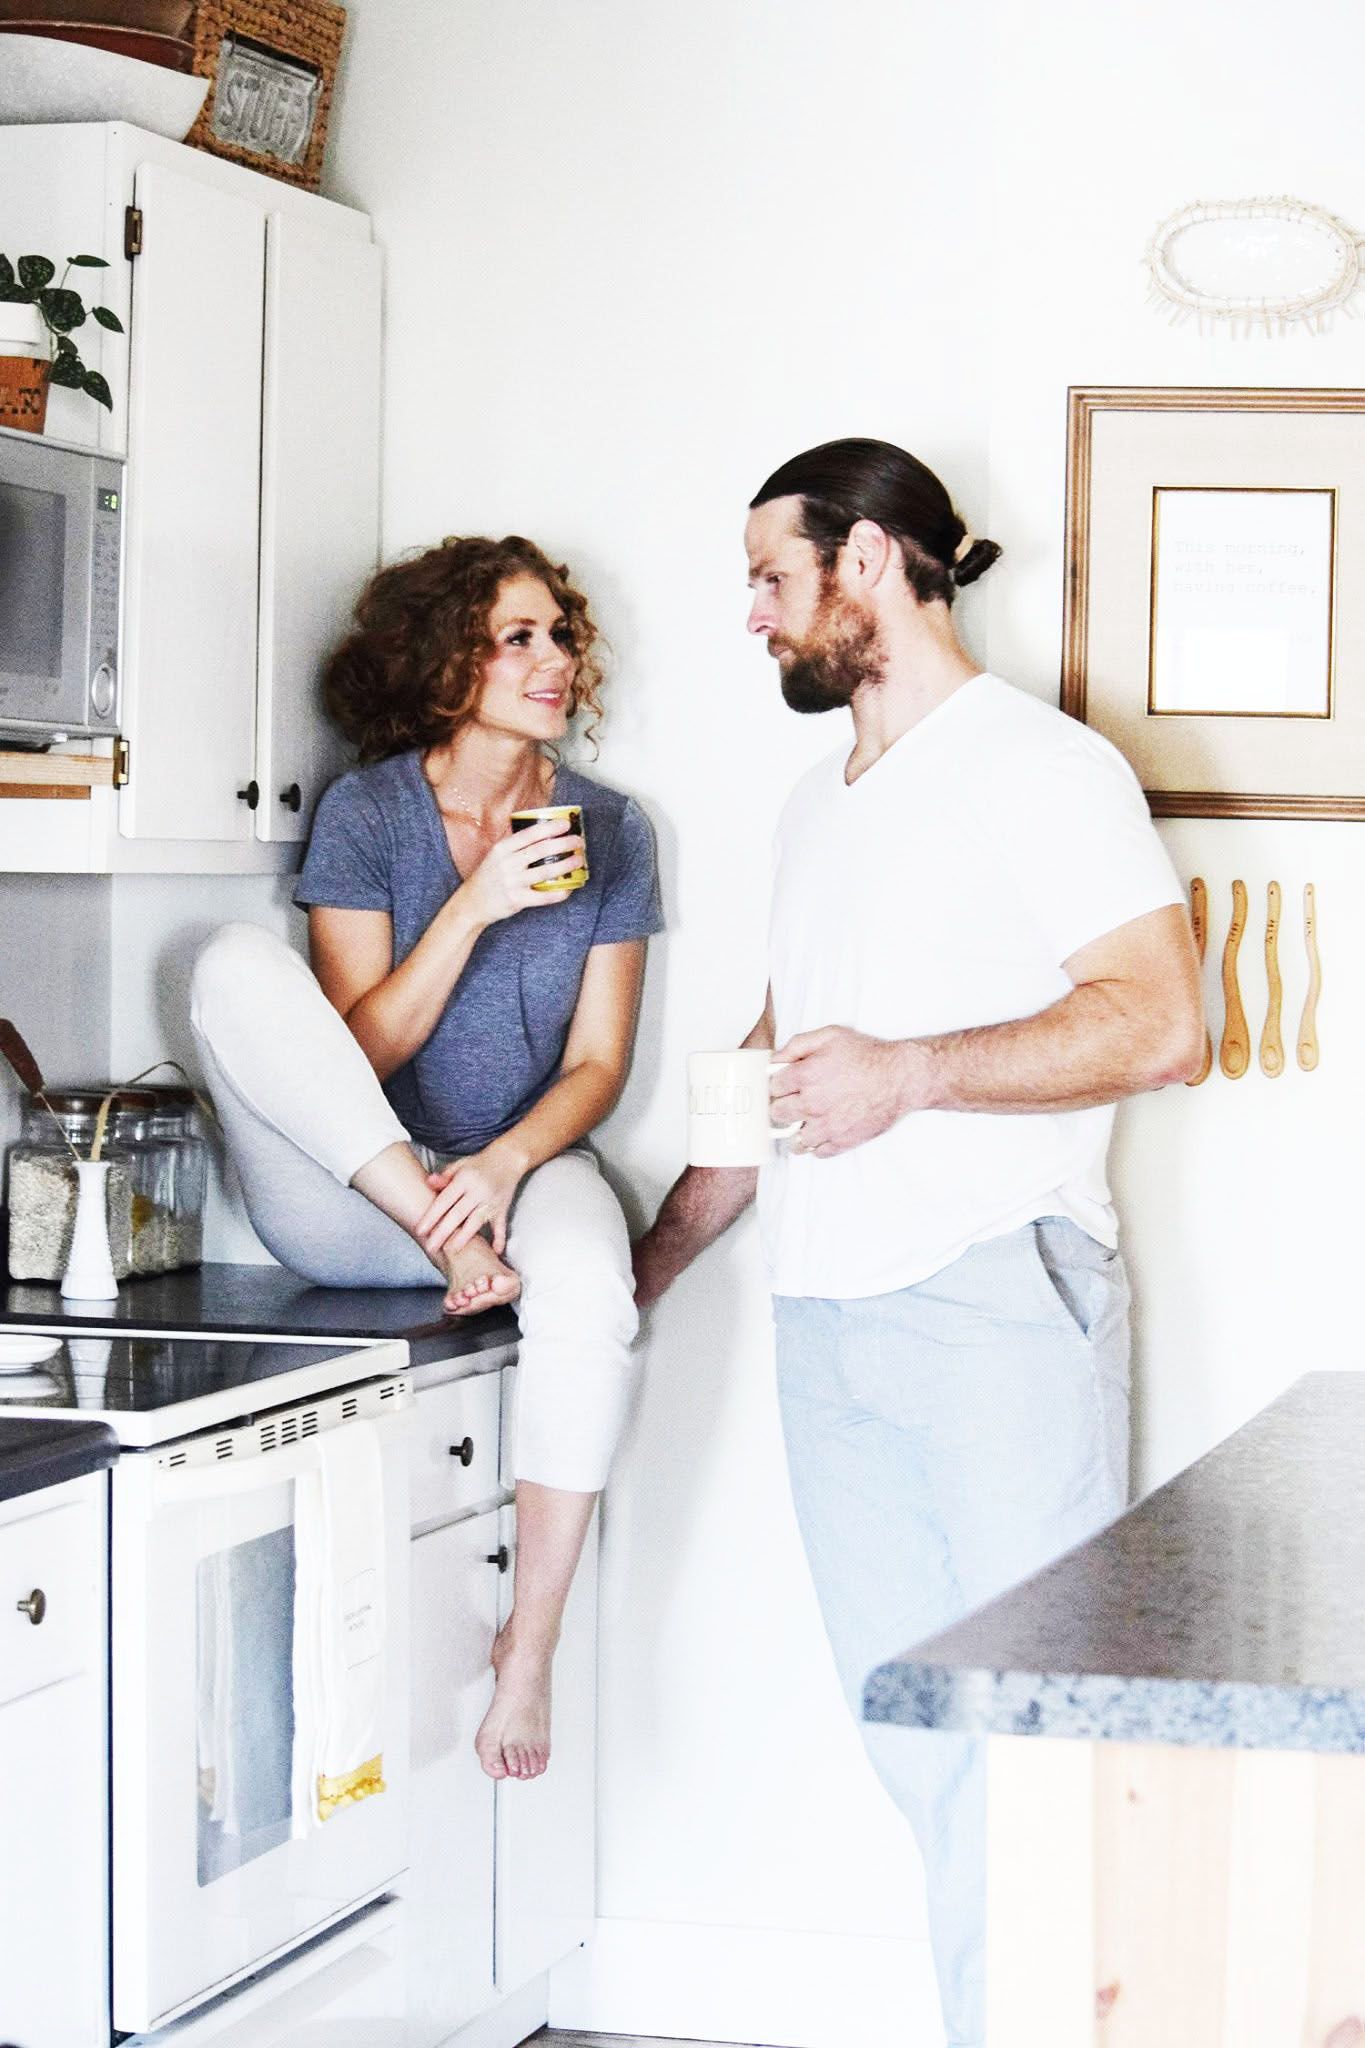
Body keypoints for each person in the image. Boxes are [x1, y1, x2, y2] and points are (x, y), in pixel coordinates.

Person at [631, 439, 1204, 2047]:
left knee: (1039, 1757)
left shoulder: (1041, 768)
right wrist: (646, 1266)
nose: (751, 614)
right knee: (930, 1754)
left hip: (994, 1307)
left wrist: (912, 1073)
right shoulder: (820, 801)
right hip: (829, 1323)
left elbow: (1164, 1026)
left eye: (769, 575)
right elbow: (771, 1060)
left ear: (868, 561)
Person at [190, 533, 662, 1784]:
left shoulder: (612, 833)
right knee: (229, 969)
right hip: (368, 1193)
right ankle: (452, 1233)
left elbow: (598, 1065)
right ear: (444, 658)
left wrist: (504, 1167)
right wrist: (477, 903)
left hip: (511, 1167)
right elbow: (354, 1055)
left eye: (559, 634)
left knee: (597, 1296)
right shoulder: (369, 812)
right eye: (518, 637)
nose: (553, 658)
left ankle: (531, 1648)